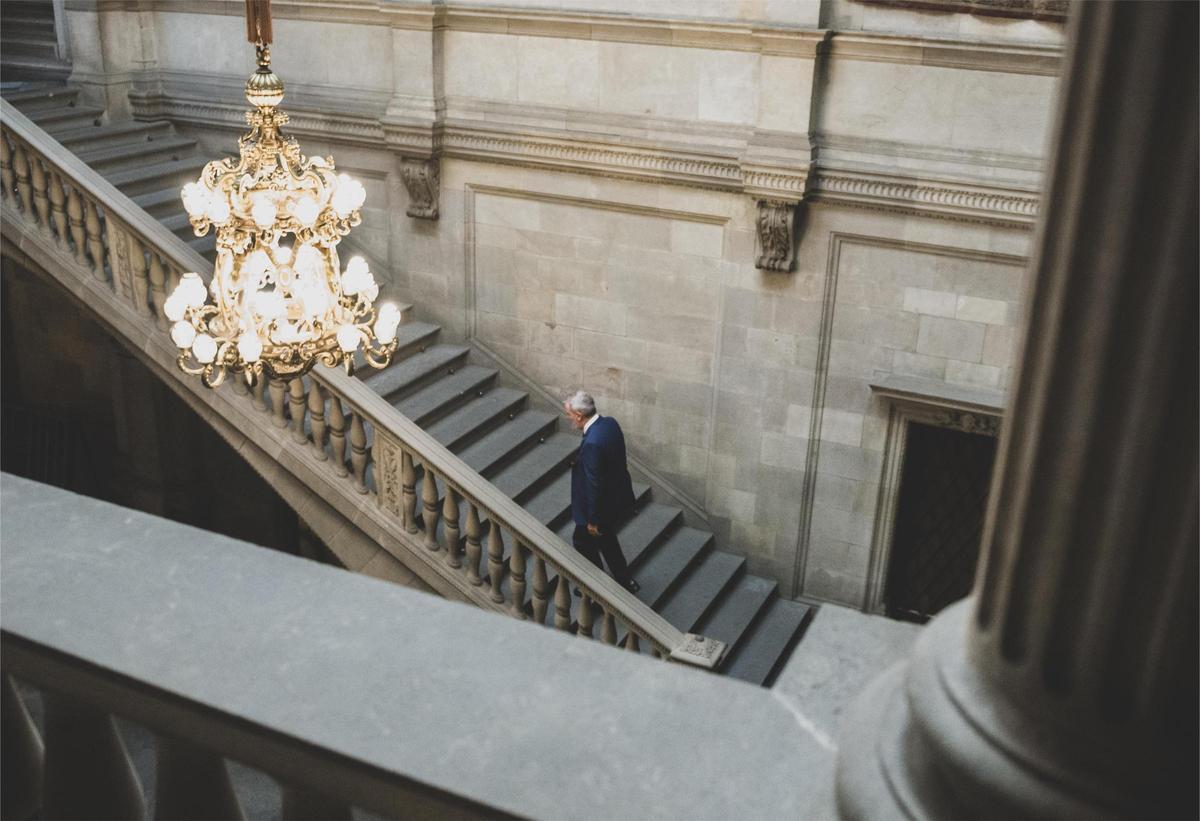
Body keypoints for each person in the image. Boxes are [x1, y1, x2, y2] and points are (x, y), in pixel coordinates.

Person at [563, 391, 640, 595]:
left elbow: (594, 484)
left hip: (599, 507)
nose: (569, 419)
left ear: (579, 415)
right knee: (607, 540)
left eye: (569, 414)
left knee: (582, 541)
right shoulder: (610, 424)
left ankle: (596, 590)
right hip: (617, 498)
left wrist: (593, 520)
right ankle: (625, 581)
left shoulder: (592, 444)